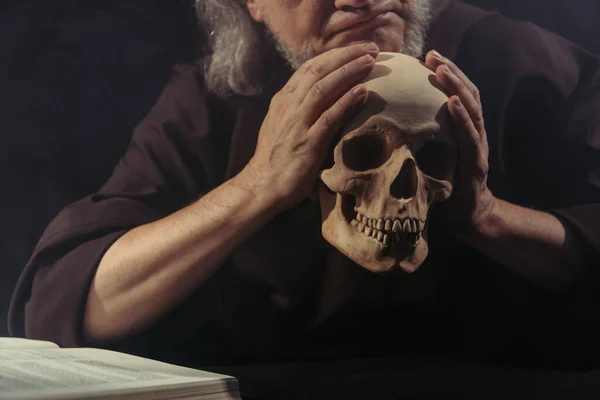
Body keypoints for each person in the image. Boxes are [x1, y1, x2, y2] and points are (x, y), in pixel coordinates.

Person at [8, 0, 600, 372]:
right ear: (253, 6)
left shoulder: (521, 67)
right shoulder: (211, 103)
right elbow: (70, 298)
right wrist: (256, 189)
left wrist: (490, 218)